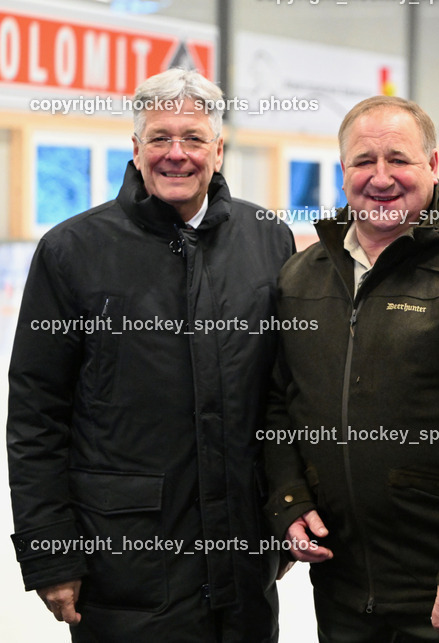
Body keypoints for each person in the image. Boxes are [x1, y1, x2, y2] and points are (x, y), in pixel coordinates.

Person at [8, 68, 295, 642]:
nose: (176, 154)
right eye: (160, 138)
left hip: (243, 566)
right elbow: (37, 414)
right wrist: (50, 553)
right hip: (124, 566)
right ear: (136, 149)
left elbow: (283, 393)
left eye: (193, 138)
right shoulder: (73, 251)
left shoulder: (268, 238)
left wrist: (282, 515)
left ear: (219, 149)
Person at [262, 95, 439, 642]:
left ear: (433, 165)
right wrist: (287, 500)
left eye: (399, 159)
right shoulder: (302, 276)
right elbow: (278, 402)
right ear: (343, 170)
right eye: (364, 161)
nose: (381, 177)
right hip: (342, 583)